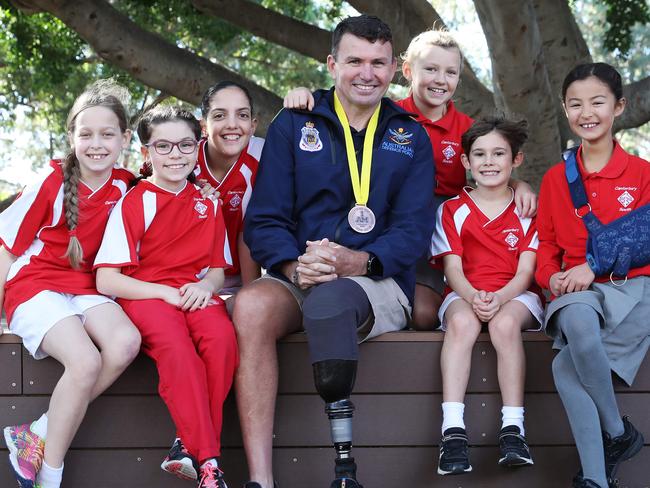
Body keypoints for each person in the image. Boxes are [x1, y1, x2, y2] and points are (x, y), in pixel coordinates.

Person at [234, 15, 436, 488]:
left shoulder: (411, 134)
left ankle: (345, 471)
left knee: (332, 302)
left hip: (377, 278)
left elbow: (415, 229)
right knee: (249, 306)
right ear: (331, 64)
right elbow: (263, 217)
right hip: (300, 272)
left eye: (378, 63)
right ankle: (261, 479)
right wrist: (292, 265)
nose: (366, 73)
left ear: (393, 70)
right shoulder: (294, 124)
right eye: (354, 61)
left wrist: (359, 262)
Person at [284, 28, 537, 330]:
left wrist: (519, 184)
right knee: (394, 300)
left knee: (424, 315)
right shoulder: (387, 116)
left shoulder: (469, 129)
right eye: (430, 69)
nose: (440, 80)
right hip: (387, 225)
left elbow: (493, 163)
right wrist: (304, 95)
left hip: (441, 228)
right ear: (406, 70)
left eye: (450, 72)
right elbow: (344, 103)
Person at [0, 79, 142, 488]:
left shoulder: (128, 185)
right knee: (85, 361)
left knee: (125, 343)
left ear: (125, 138)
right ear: (72, 137)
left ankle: (37, 433)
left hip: (87, 288)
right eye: (86, 134)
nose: (96, 144)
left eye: (107, 134)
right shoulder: (50, 182)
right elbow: (7, 250)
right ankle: (50, 476)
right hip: (35, 286)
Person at [94, 106, 238, 488]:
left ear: (198, 147)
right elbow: (108, 280)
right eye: (164, 146)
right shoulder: (135, 201)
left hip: (192, 293)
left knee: (222, 341)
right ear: (146, 154)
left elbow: (217, 270)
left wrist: (206, 288)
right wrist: (165, 294)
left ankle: (185, 445)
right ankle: (209, 463)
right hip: (145, 295)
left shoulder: (208, 203)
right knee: (177, 350)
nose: (175, 154)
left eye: (185, 144)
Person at [536, 62, 648, 488]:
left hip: (634, 289)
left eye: (597, 102)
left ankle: (597, 481)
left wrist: (593, 266)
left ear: (618, 107)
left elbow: (645, 236)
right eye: (576, 104)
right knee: (578, 317)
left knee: (565, 370)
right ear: (565, 111)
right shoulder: (553, 178)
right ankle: (618, 433)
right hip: (578, 293)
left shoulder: (642, 173)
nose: (587, 112)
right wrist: (551, 279)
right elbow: (545, 245)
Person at [431, 115, 543, 475]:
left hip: (516, 294)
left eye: (499, 154)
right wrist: (476, 297)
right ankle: (452, 431)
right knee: (461, 323)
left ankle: (513, 429)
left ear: (516, 160)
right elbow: (453, 270)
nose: (489, 162)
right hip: (464, 291)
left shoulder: (527, 210)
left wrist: (499, 298)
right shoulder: (452, 209)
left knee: (505, 325)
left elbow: (526, 272)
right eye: (479, 154)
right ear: (466, 162)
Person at [195, 81, 262, 308]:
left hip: (250, 279)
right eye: (220, 115)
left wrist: (251, 294)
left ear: (253, 126)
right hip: (194, 282)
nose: (232, 125)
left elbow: (253, 228)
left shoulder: (266, 155)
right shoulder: (182, 158)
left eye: (242, 115)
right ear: (203, 126)